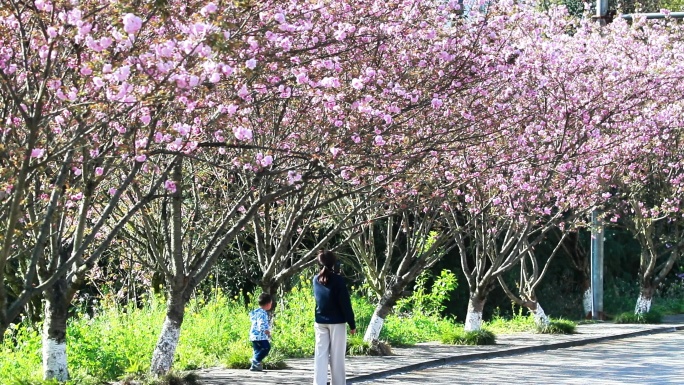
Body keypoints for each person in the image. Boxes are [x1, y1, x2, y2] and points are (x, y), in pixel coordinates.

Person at [313, 250, 356, 385]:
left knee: (320, 355)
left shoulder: (315, 280)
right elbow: (345, 303)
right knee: (337, 357)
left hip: (320, 321)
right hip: (337, 322)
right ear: (333, 263)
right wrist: (352, 324)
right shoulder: (338, 280)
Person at [249, 293, 272, 372]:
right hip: (260, 336)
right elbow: (261, 322)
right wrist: (266, 330)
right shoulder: (263, 313)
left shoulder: (255, 312)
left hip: (253, 335)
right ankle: (255, 360)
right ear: (268, 304)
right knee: (266, 348)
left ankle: (254, 366)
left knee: (257, 350)